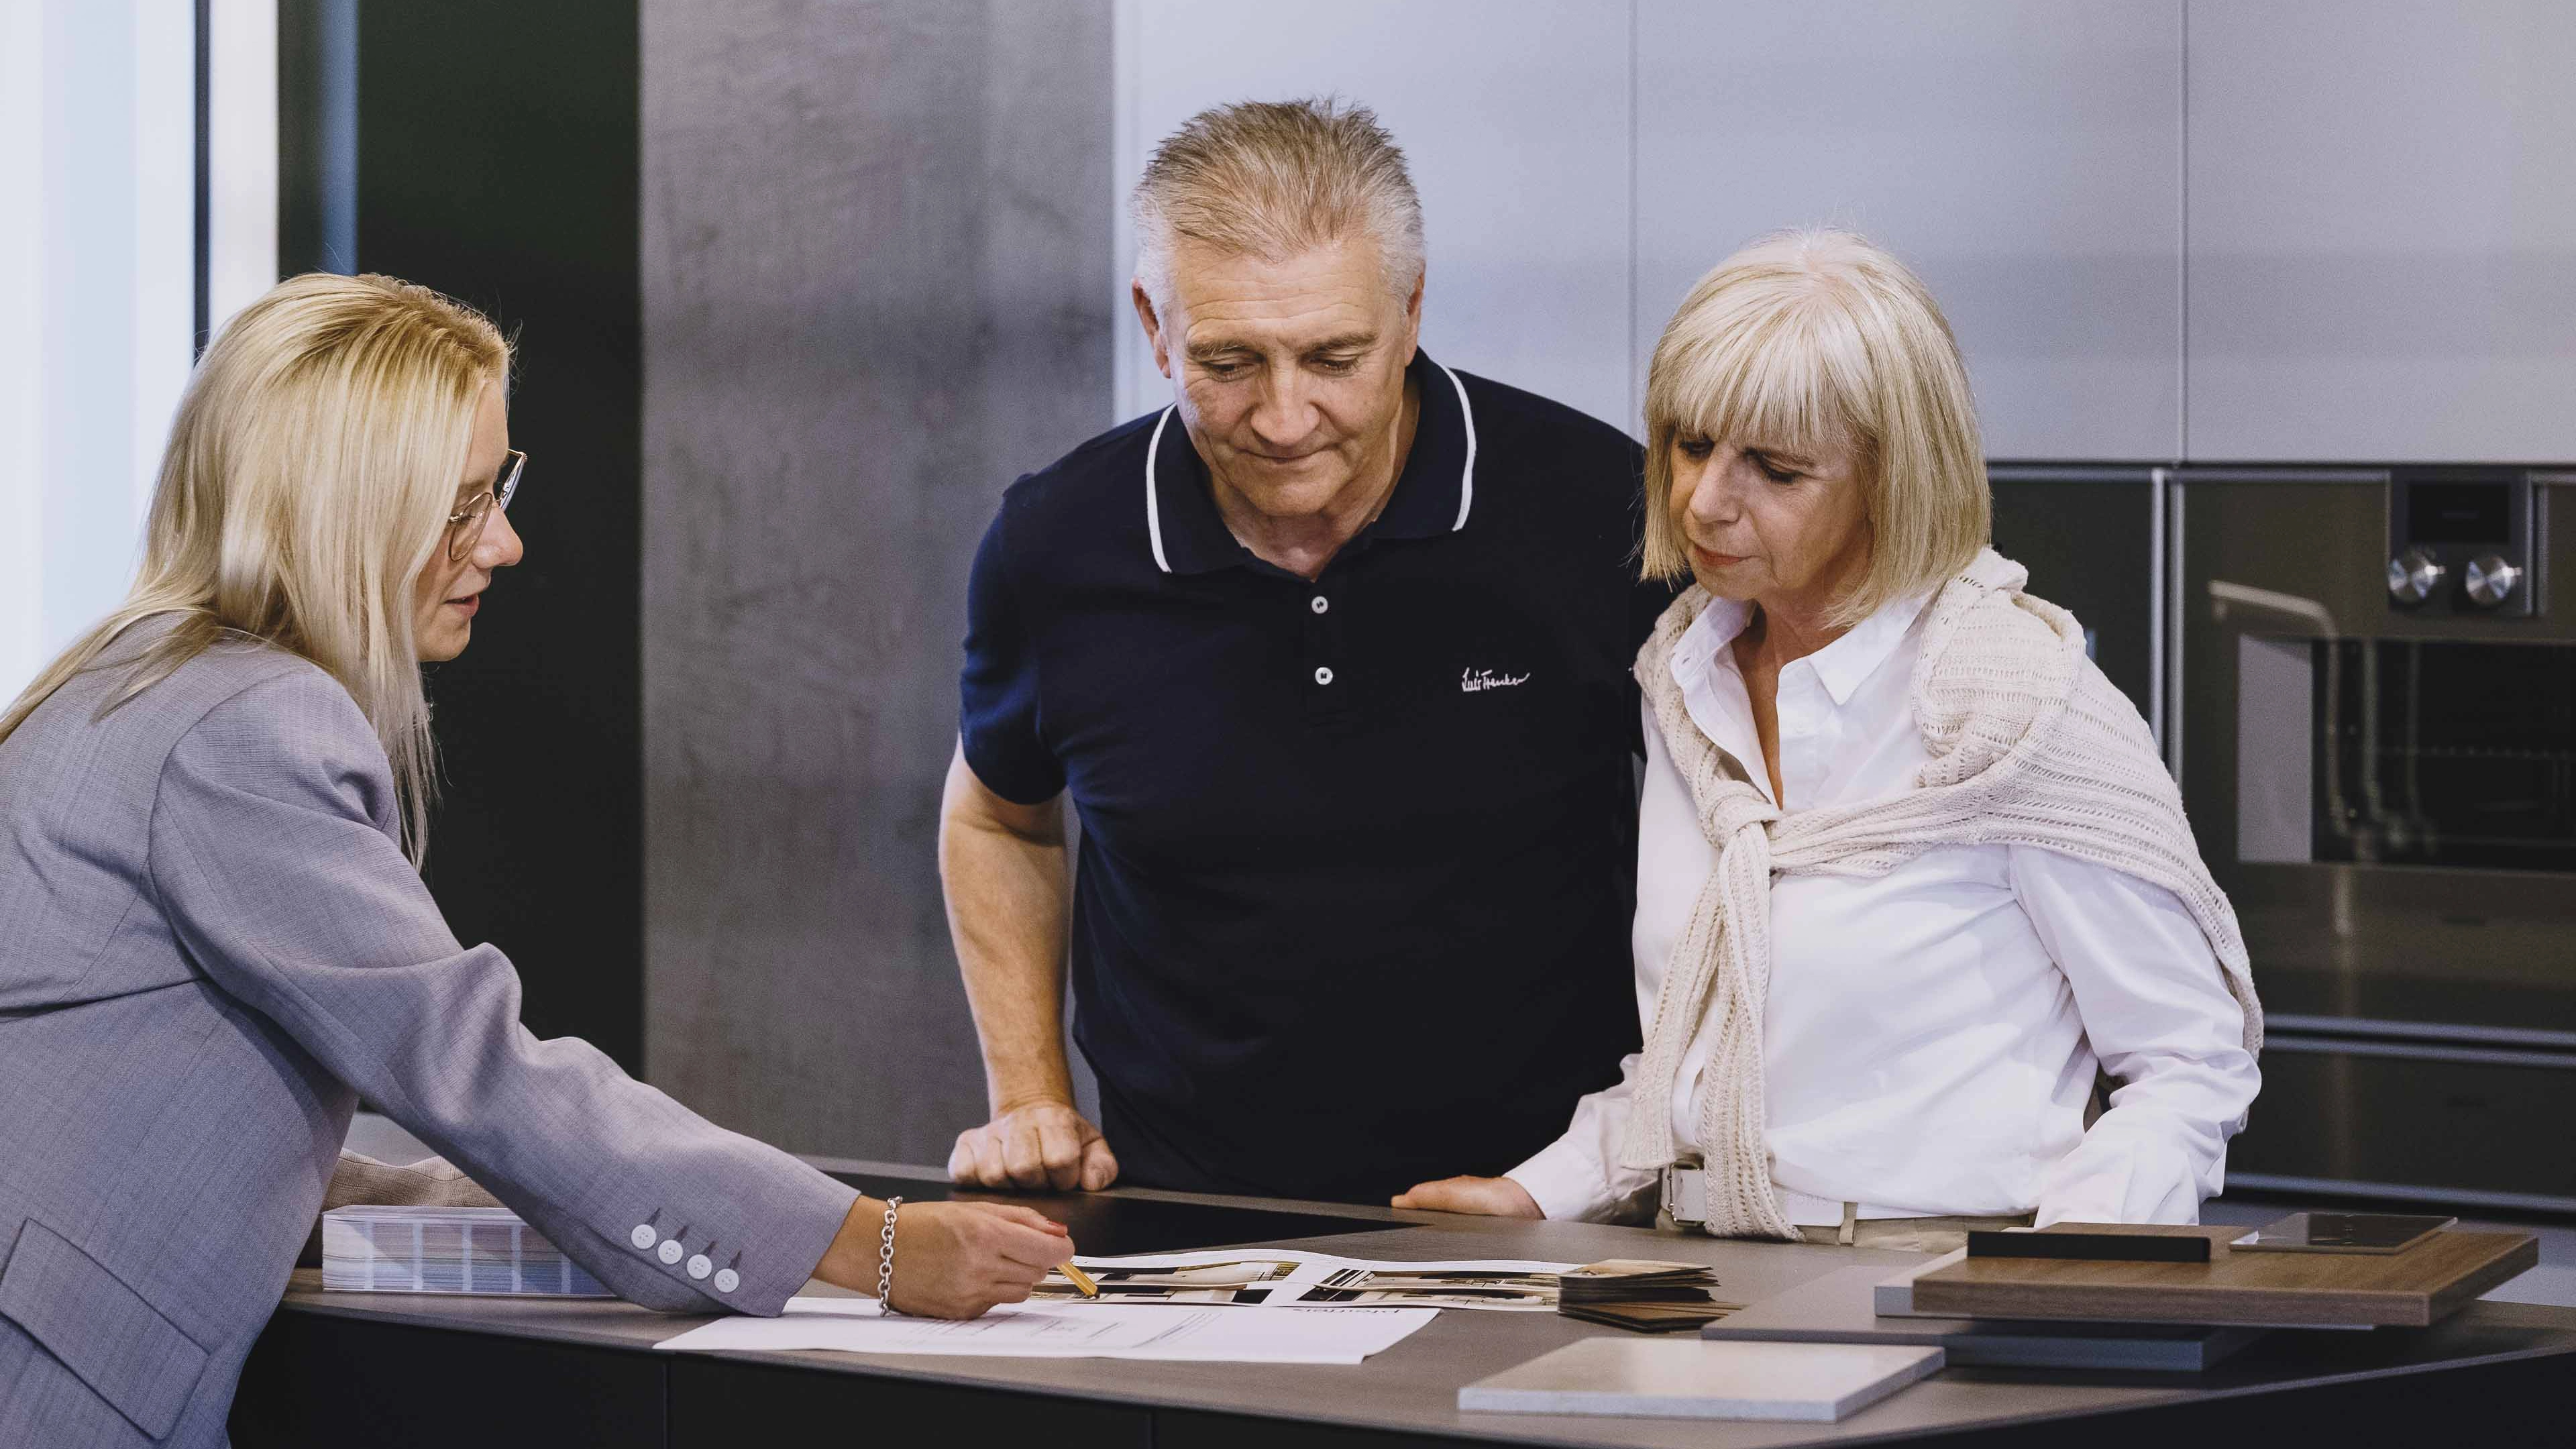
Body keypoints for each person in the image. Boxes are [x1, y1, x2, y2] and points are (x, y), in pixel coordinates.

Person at [0, 274, 1069, 1448]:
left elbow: (172, 1096)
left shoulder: (131, 682)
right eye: (462, 506)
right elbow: (474, 1063)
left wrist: (497, 1199)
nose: (503, 545)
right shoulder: (245, 726)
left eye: (498, 492)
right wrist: (871, 1247)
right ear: (340, 512)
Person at [1396, 231, 2262, 1248]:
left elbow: (2191, 1064)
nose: (1705, 501)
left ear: (1889, 481)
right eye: (1689, 444)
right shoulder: (1684, 680)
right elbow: (1698, 1058)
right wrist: (1546, 1189)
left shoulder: (2015, 705)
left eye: (1775, 468)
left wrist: (2067, 1268)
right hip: (1697, 1272)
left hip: (1943, 1274)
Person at [943, 99, 1670, 1203]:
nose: (1286, 420)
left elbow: (1753, 834)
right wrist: (1032, 1098)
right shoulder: (1057, 544)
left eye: (1335, 357)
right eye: (1230, 362)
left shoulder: (1597, 514)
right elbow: (995, 815)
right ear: (1155, 324)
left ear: (1412, 311)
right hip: (1190, 1209)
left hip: (1548, 1204)